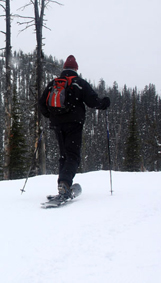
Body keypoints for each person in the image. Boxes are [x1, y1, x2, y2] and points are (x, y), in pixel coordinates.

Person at [38, 55, 110, 200]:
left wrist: (51, 116)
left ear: (64, 68)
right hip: (74, 123)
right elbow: (93, 101)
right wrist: (104, 103)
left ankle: (63, 185)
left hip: (57, 124)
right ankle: (65, 184)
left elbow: (41, 104)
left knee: (64, 155)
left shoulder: (54, 83)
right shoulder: (79, 83)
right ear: (76, 69)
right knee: (73, 156)